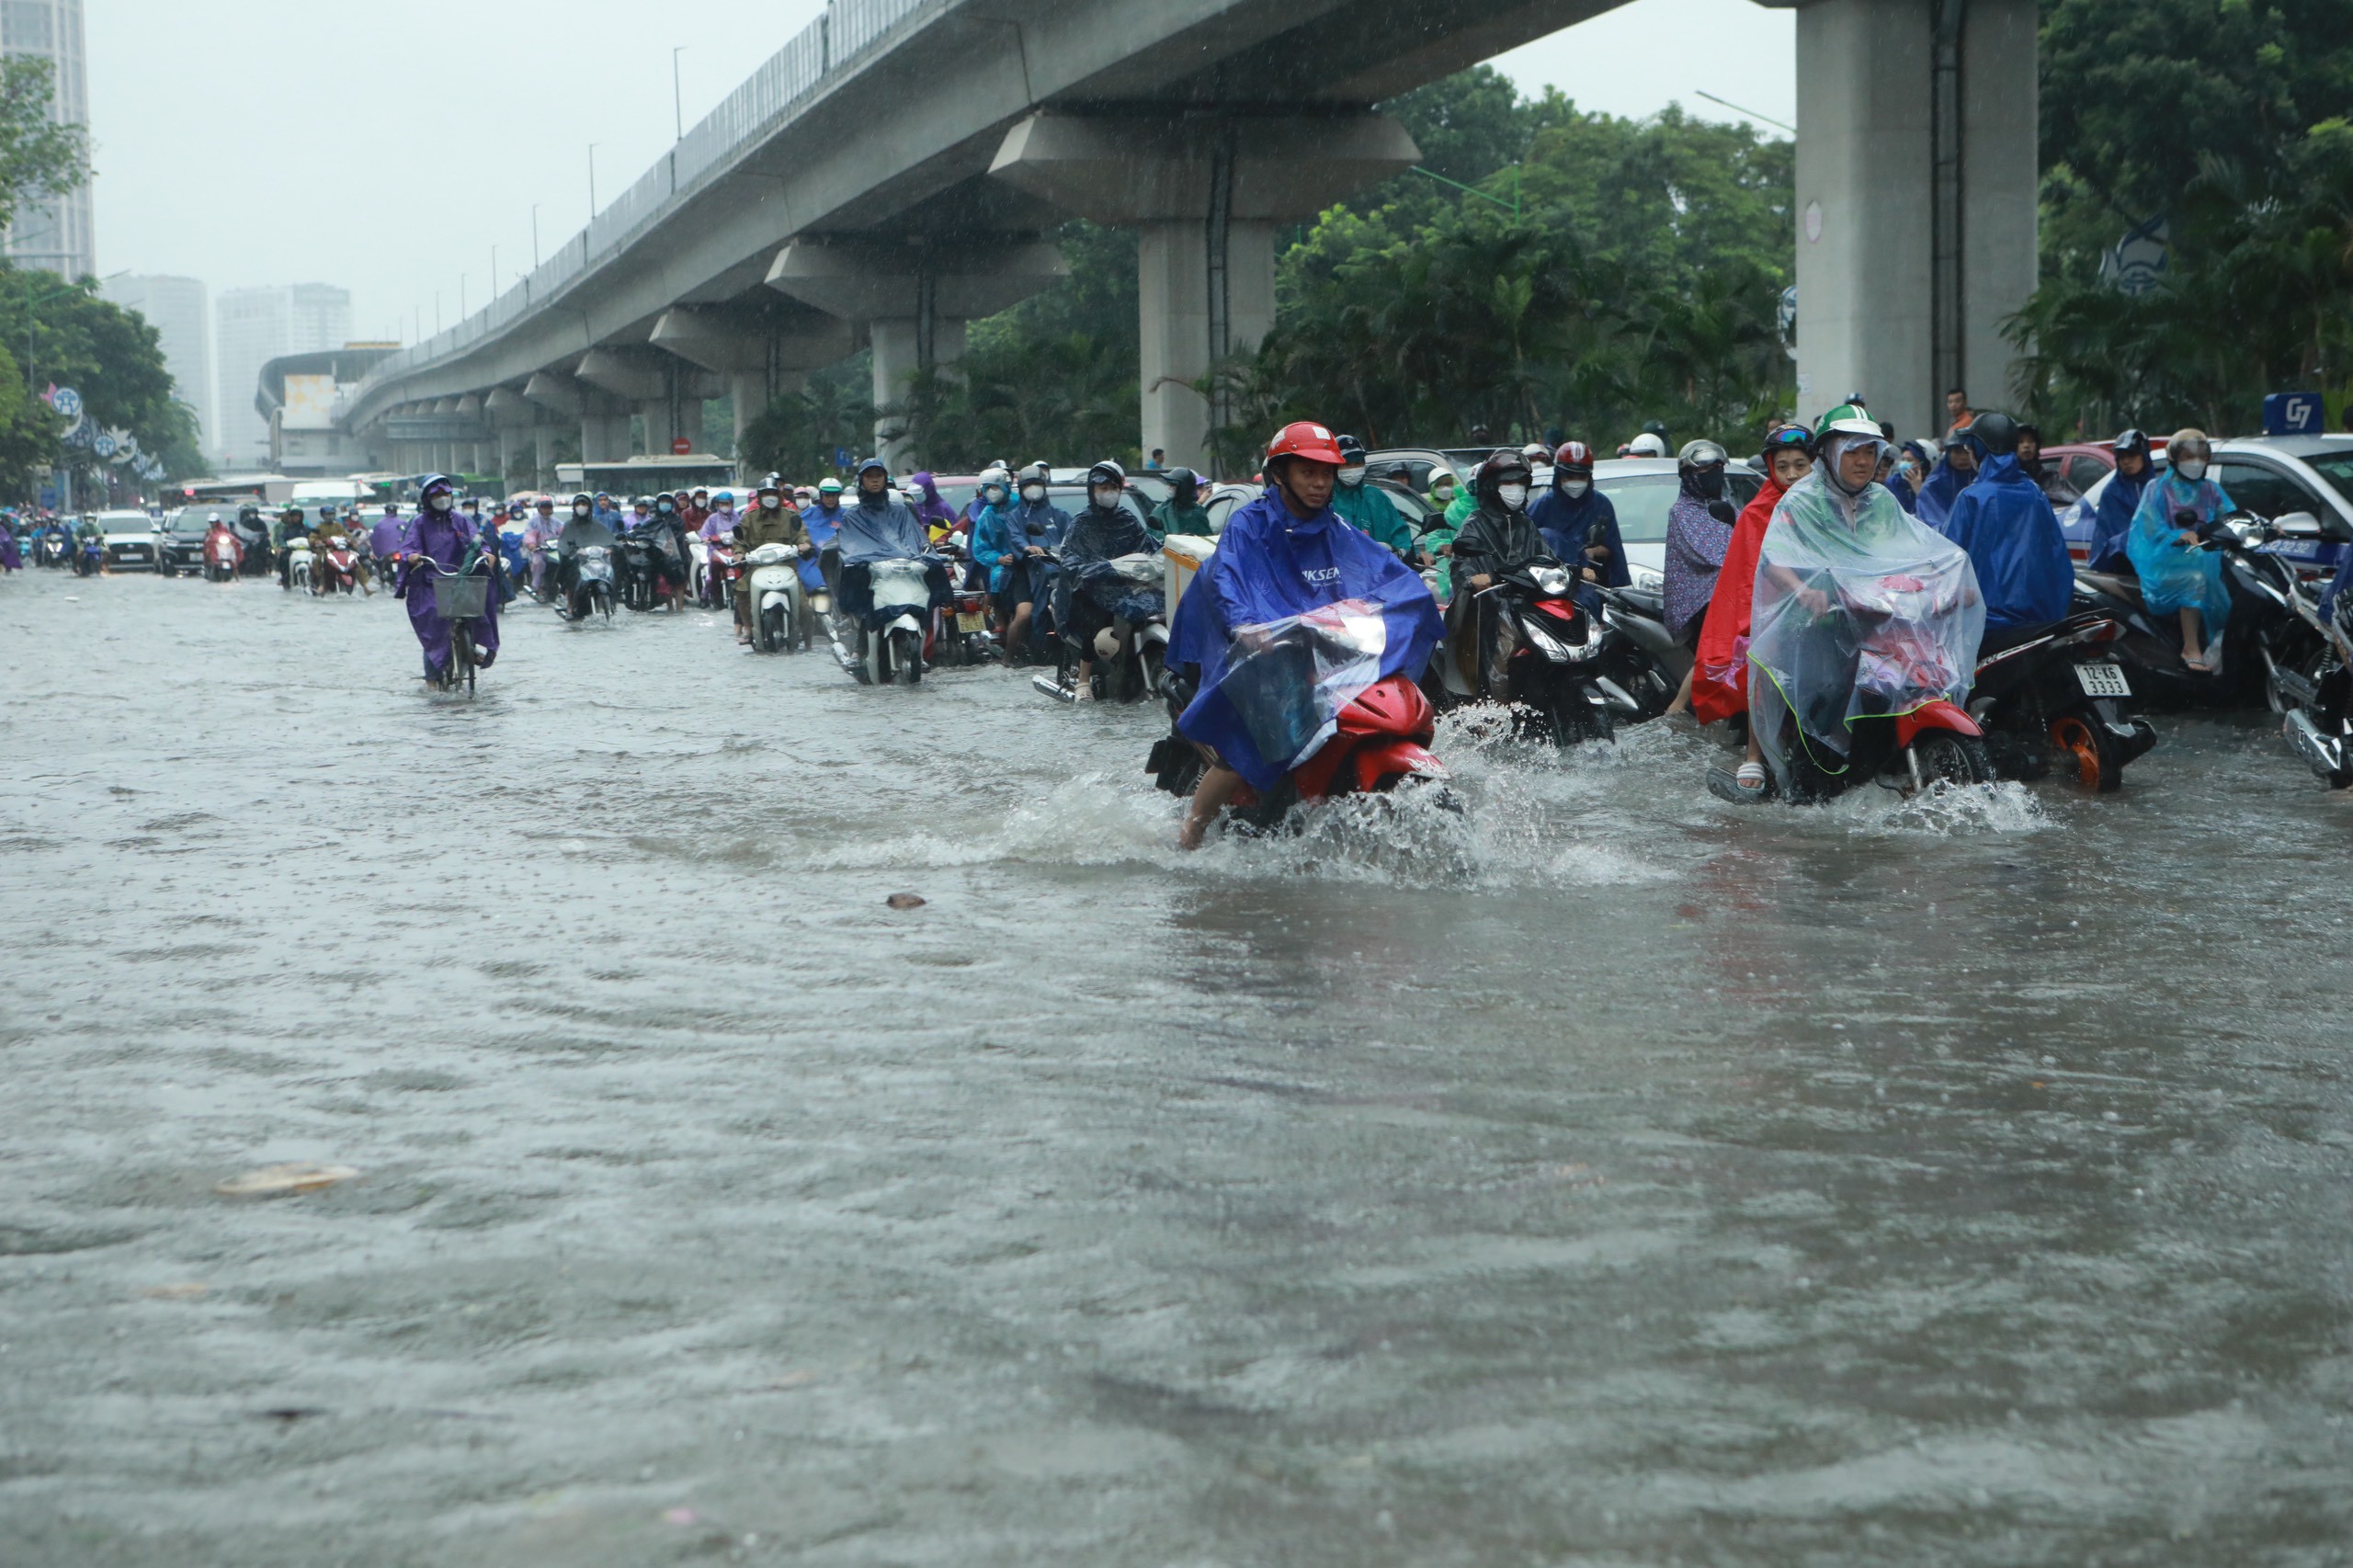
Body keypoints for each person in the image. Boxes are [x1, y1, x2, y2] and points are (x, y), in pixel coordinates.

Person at [1166, 422, 1441, 847]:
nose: (1319, 483)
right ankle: (1191, 832)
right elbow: (1228, 580)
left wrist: (1420, 596)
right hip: (1254, 647)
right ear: (1280, 474)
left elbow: (1382, 573)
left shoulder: (1337, 528)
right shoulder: (1249, 525)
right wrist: (1247, 626)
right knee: (1245, 748)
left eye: (1326, 473)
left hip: (1323, 647)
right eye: (1308, 472)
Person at [1744, 405, 1984, 796]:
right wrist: (1806, 592)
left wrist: (1949, 581)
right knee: (1823, 703)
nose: (1863, 461)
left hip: (1876, 621)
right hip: (1817, 624)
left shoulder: (1883, 501)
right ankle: (1801, 783)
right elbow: (1775, 561)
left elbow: (1914, 551)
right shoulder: (1802, 501)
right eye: (1852, 451)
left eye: (1869, 452)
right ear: (1829, 453)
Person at [1692, 423, 1814, 777]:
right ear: (1771, 468)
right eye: (1783, 466)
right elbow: (1755, 571)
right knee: (1761, 667)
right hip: (1773, 616)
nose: (1791, 474)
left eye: (1800, 465)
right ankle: (1754, 756)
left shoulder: (1831, 507)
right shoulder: (1758, 512)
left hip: (1827, 610)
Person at [1927, 410, 2073, 639]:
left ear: (1981, 449)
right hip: (2040, 623)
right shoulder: (2034, 493)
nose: (1968, 453)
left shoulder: (1972, 497)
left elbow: (1947, 559)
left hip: (1985, 625)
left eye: (1969, 447)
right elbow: (2057, 559)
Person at [1447, 449, 1559, 693]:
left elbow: (1547, 558)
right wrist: (1472, 578)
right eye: (1508, 482)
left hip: (1531, 604)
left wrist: (1571, 570)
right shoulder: (1475, 525)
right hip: (1494, 608)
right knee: (1503, 651)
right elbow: (1460, 563)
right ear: (1491, 487)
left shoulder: (1526, 523)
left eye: (1520, 482)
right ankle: (1497, 713)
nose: (1515, 487)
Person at [2127, 428, 2237, 672]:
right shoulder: (2157, 489)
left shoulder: (2211, 489)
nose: (2195, 462)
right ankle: (2191, 647)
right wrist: (2177, 535)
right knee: (2196, 579)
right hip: (2166, 562)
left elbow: (2231, 516)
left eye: (2201, 456)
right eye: (2188, 456)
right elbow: (2148, 527)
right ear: (2174, 459)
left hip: (2205, 557)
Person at [1058, 460, 1162, 698]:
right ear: (1092, 491)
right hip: (1093, 587)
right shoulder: (1082, 522)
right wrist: (1088, 570)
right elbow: (1070, 557)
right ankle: (1083, 680)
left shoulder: (1127, 519)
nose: (1108, 493)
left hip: (1126, 586)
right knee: (1097, 619)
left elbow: (1147, 546)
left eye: (1112, 487)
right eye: (1102, 488)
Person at [835, 456, 949, 655]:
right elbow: (850, 546)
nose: (874, 480)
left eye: (878, 476)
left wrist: (926, 555)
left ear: (885, 478)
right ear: (862, 481)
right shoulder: (853, 516)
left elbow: (916, 539)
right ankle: (859, 649)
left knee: (925, 595)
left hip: (901, 570)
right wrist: (859, 562)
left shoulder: (901, 511)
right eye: (869, 476)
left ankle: (923, 649)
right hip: (870, 572)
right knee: (866, 604)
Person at [395, 474, 499, 683]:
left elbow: (478, 543)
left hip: (462, 578)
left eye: (446, 494)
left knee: (477, 608)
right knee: (434, 629)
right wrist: (413, 557)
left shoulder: (461, 520)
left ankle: (470, 646)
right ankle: (432, 679)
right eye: (437, 495)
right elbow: (409, 548)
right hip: (431, 582)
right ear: (427, 498)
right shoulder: (419, 522)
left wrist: (486, 554)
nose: (443, 498)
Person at [1660, 439, 1738, 715]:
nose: (1715, 473)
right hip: (1703, 599)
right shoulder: (1682, 513)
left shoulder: (1725, 506)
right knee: (1716, 654)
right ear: (1690, 476)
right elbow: (1707, 555)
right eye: (1706, 469)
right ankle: (1677, 708)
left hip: (1733, 595)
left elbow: (1745, 539)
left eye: (1719, 467)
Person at [979, 460, 1070, 663]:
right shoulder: (1014, 516)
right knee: (1024, 614)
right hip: (1025, 573)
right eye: (1028, 485)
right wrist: (1027, 548)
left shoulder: (1059, 515)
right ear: (1020, 489)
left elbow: (1074, 535)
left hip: (1058, 571)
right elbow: (1016, 538)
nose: (1033, 489)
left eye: (1036, 484)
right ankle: (1008, 659)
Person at [1528, 440, 1627, 605]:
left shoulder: (1601, 505)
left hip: (1589, 583)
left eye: (1581, 477)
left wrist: (1591, 553)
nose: (1575, 482)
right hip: (1548, 582)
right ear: (1559, 475)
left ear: (1590, 477)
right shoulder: (1544, 504)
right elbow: (1523, 541)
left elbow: (1613, 549)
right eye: (1569, 477)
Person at [730, 483, 813, 643]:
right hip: (757, 567)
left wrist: (804, 544)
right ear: (760, 497)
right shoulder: (749, 518)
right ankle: (749, 629)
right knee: (741, 590)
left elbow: (801, 534)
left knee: (805, 608)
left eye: (773, 493)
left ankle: (808, 638)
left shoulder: (790, 516)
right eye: (766, 493)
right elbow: (739, 540)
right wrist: (739, 553)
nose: (770, 497)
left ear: (779, 496)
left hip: (786, 566)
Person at [1328, 436, 1416, 558]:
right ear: (1334, 467)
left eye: (1358, 463)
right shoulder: (1326, 500)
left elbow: (1399, 533)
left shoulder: (1376, 496)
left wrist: (1406, 552)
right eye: (1347, 464)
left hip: (1381, 572)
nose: (1353, 469)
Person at [2086, 428, 2153, 574]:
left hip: (2155, 569)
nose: (2126, 461)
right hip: (2122, 571)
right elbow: (2108, 543)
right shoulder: (2112, 492)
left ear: (2144, 455)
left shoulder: (2157, 488)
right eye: (2121, 456)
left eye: (2132, 454)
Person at [1914, 436, 1977, 527]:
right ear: (1948, 454)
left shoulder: (1980, 480)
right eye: (1958, 452)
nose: (1963, 457)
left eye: (1967, 452)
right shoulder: (1933, 484)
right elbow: (1928, 520)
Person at [698, 491, 739, 607]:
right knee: (710, 578)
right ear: (717, 505)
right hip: (716, 550)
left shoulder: (736, 517)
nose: (725, 506)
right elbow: (704, 533)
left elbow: (742, 530)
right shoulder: (712, 518)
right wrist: (707, 538)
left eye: (727, 503)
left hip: (733, 549)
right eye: (722, 504)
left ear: (731, 504)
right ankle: (704, 596)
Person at [1150, 467, 1211, 541]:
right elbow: (1153, 542)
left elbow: (1206, 541)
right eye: (1169, 484)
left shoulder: (1198, 512)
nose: (1169, 487)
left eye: (1173, 484)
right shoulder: (1161, 511)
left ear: (1184, 488)